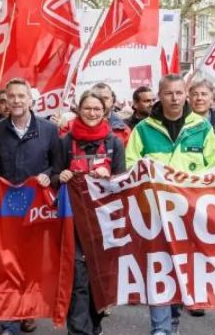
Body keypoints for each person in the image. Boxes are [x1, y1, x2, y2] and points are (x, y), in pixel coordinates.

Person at [125, 74, 215, 335]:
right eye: (169, 93)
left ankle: (174, 323)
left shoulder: (202, 127)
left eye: (179, 93)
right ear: (160, 95)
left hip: (189, 214)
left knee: (181, 270)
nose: (175, 98)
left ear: (186, 95)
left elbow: (213, 168)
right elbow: (130, 167)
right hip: (153, 214)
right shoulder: (143, 129)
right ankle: (160, 328)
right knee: (158, 269)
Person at [0, 78, 62, 335]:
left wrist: (48, 177)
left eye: (21, 96)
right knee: (6, 262)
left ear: (30, 99)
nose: (16, 101)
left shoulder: (49, 130)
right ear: (5, 101)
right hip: (6, 204)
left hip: (36, 205)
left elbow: (59, 166)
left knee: (31, 262)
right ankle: (9, 319)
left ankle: (27, 310)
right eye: (11, 96)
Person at [57, 90, 126, 335]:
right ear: (79, 109)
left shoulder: (114, 143)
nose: (92, 113)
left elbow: (122, 182)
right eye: (87, 108)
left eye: (97, 109)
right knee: (78, 278)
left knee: (99, 277)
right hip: (73, 223)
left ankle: (95, 325)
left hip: (103, 223)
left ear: (104, 111)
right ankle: (78, 330)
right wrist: (60, 176)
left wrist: (109, 179)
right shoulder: (65, 142)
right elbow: (54, 173)